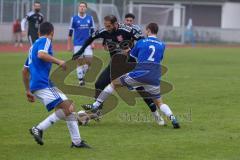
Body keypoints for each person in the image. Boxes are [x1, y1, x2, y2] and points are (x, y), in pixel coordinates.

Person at [81, 23, 180, 128]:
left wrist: (128, 50)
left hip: (139, 74)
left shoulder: (142, 42)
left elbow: (132, 56)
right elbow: (159, 59)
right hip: (154, 77)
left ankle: (96, 105)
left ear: (148, 30)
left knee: (114, 84)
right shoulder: (162, 45)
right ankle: (172, 118)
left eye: (146, 30)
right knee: (160, 103)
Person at [22, 21, 90, 148]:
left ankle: (77, 142)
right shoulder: (45, 40)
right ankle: (39, 128)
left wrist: (27, 90)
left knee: (68, 107)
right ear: (52, 32)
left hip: (42, 83)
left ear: (38, 32)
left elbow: (24, 71)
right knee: (67, 108)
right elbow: (41, 54)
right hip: (42, 83)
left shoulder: (32, 46)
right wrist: (59, 61)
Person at [67, 2, 95, 86]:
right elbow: (70, 33)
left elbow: (93, 32)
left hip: (87, 43)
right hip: (77, 44)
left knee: (89, 61)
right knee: (79, 62)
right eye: (80, 6)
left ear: (86, 8)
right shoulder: (74, 18)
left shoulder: (90, 18)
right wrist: (69, 45)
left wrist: (93, 43)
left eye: (83, 6)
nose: (82, 8)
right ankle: (81, 80)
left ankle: (82, 71)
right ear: (78, 8)